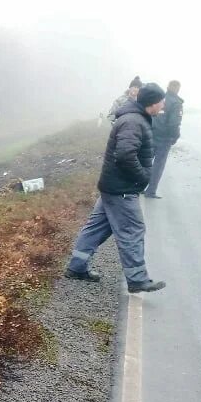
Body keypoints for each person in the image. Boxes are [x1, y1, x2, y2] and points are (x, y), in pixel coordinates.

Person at [65, 82, 167, 293]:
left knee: (96, 228)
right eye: (161, 100)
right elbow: (124, 155)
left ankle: (76, 267)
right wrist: (143, 177)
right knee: (132, 230)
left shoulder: (136, 118)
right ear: (153, 103)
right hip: (122, 189)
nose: (163, 104)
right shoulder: (133, 122)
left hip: (113, 186)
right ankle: (137, 278)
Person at [144, 80, 183, 198]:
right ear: (178, 89)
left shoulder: (159, 98)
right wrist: (175, 136)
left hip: (152, 134)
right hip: (165, 138)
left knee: (145, 162)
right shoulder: (176, 103)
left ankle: (138, 187)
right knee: (158, 165)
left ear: (167, 87)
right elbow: (174, 123)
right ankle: (150, 191)